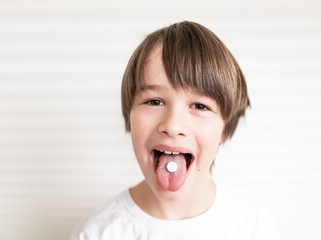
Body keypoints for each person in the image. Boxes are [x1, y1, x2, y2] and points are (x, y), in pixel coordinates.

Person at [70, 21, 280, 240]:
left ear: (224, 130)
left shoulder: (251, 223)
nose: (172, 126)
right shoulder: (95, 233)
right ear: (129, 119)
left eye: (200, 106)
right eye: (154, 101)